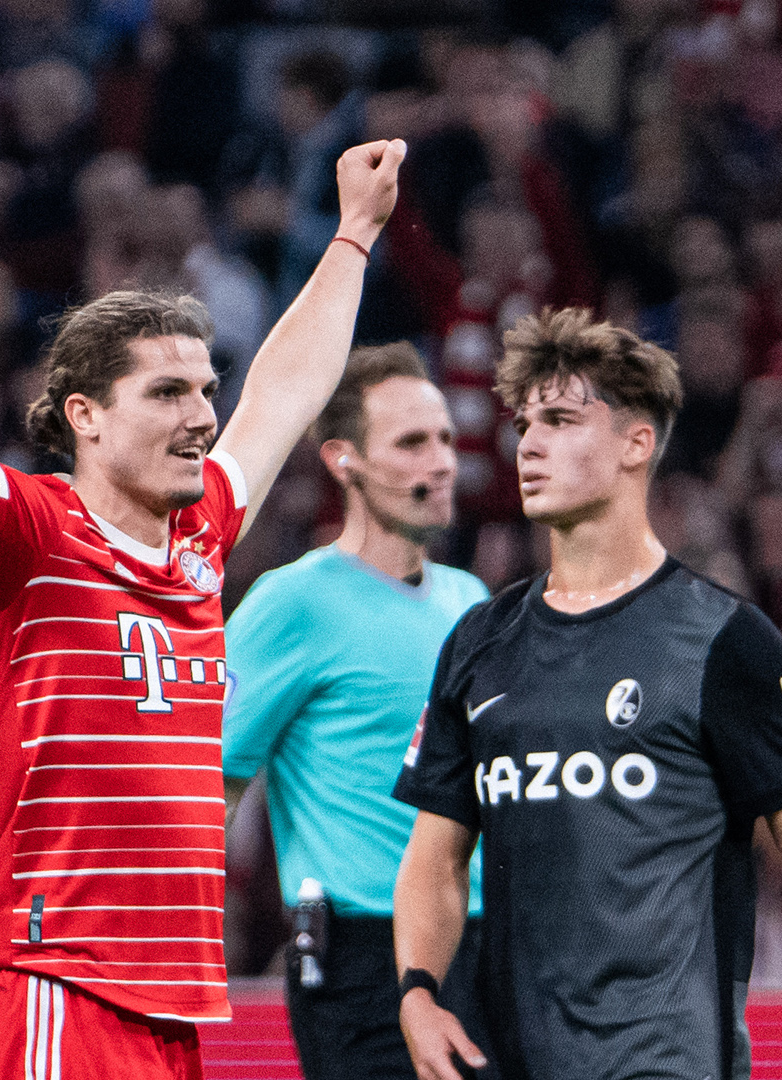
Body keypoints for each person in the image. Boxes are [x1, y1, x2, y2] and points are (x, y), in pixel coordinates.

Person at [0, 103, 404, 1079]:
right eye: (167, 393)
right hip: (50, 990)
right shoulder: (24, 539)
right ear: (86, 418)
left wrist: (354, 235)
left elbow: (285, 389)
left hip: (166, 1010)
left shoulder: (198, 539)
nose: (203, 415)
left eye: (204, 389)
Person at [391, 308, 782, 1080]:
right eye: (525, 422)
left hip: (666, 1060)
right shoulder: (480, 644)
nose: (530, 443)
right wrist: (416, 991)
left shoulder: (722, 641)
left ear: (636, 444)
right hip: (511, 1058)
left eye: (561, 420)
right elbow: (436, 855)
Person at [221, 343, 490, 1080]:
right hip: (362, 965)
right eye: (410, 443)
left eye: (444, 440)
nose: (439, 462)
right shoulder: (293, 603)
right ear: (345, 460)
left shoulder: (471, 603)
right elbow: (209, 783)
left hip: (484, 951)